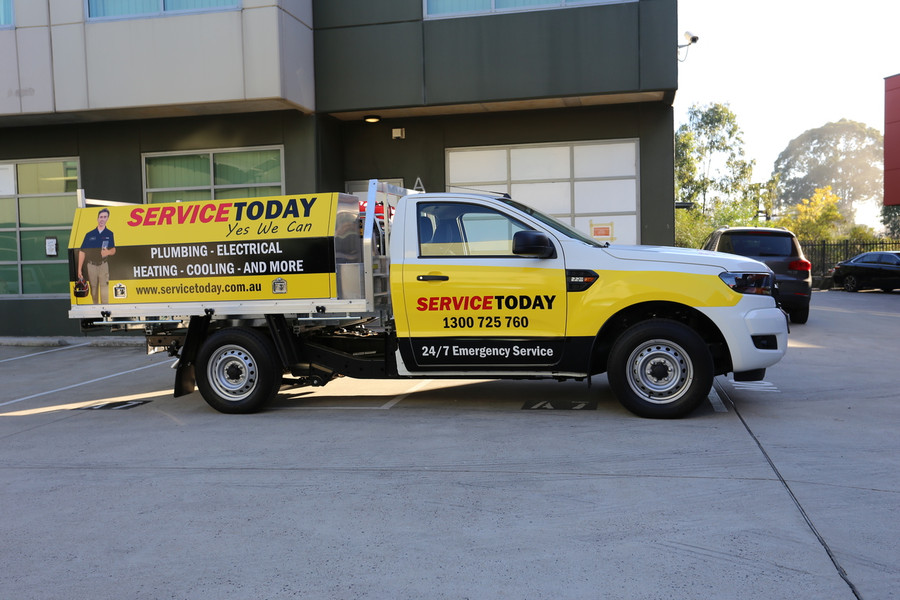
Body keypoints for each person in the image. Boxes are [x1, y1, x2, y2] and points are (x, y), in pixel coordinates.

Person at [77, 208, 116, 304]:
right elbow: (82, 252)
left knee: (104, 290)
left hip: (103, 265)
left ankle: (105, 312)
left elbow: (114, 249)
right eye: (101, 217)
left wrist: (108, 252)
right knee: (93, 290)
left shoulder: (109, 234)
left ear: (107, 218)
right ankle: (95, 309)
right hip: (91, 266)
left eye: (105, 217)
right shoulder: (89, 235)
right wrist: (79, 269)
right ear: (98, 218)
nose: (102, 219)